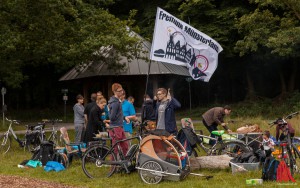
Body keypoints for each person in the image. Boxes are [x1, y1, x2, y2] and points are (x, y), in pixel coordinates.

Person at [108, 83, 129, 156]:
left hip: (119, 126)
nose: (121, 92)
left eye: (122, 90)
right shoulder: (115, 103)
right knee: (116, 148)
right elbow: (112, 117)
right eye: (119, 91)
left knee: (125, 146)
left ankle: (124, 163)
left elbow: (118, 114)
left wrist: (124, 117)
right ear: (114, 92)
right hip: (116, 127)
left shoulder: (118, 101)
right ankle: (114, 166)